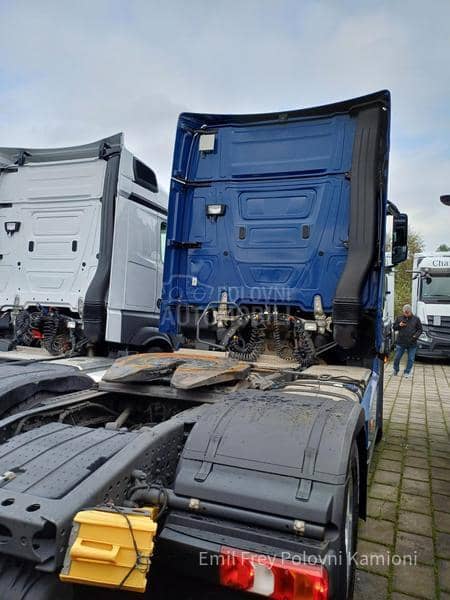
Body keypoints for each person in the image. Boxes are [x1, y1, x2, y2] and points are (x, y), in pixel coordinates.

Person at [392, 304, 423, 378]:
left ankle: (407, 372)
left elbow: (420, 330)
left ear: (410, 311)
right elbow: (394, 328)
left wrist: (415, 336)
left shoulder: (416, 319)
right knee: (397, 358)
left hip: (412, 343)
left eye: (407, 313)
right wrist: (399, 325)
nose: (405, 314)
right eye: (404, 313)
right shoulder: (399, 318)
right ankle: (395, 370)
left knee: (411, 359)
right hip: (401, 342)